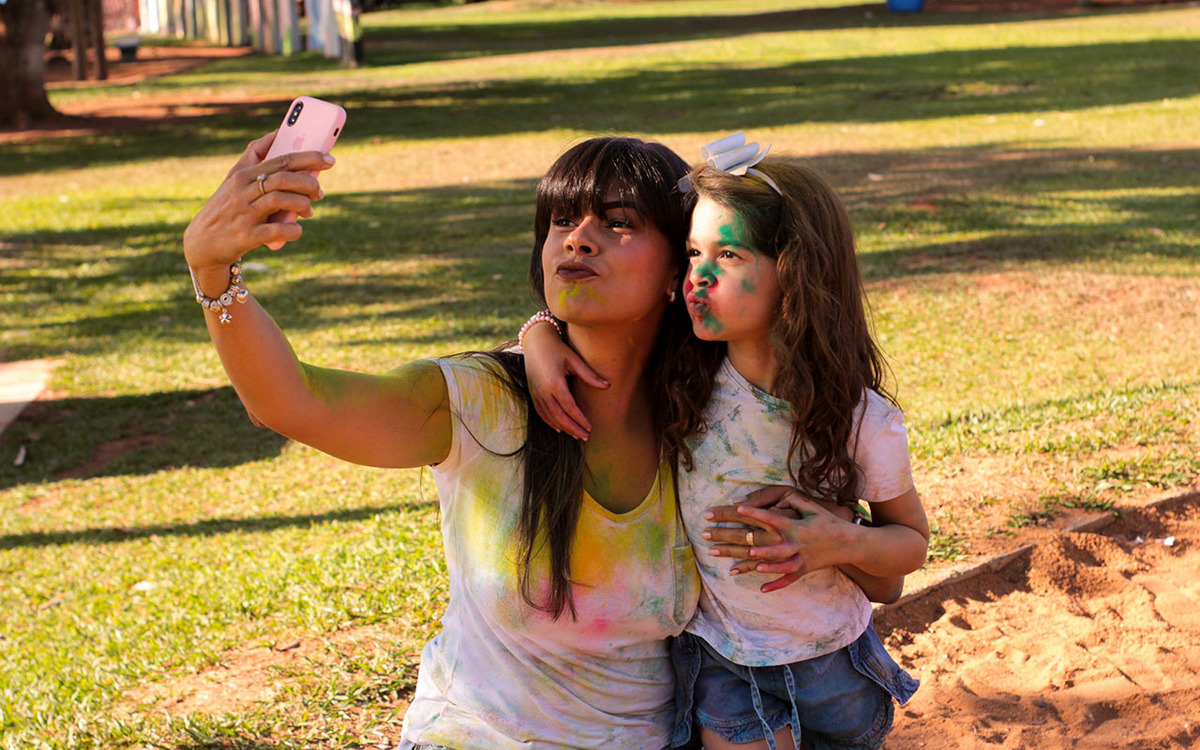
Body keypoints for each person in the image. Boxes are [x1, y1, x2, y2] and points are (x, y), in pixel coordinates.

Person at [182, 132, 719, 748]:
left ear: (678, 267)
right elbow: (294, 402)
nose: (578, 238)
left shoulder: (714, 414)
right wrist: (212, 272)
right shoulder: (477, 401)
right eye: (562, 219)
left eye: (619, 222)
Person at [521, 133, 929, 750]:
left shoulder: (861, 417)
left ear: (795, 271)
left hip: (834, 665)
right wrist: (538, 336)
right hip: (721, 662)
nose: (698, 276)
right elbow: (590, 317)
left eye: (728, 255)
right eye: (691, 253)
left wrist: (841, 541)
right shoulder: (682, 378)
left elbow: (910, 544)